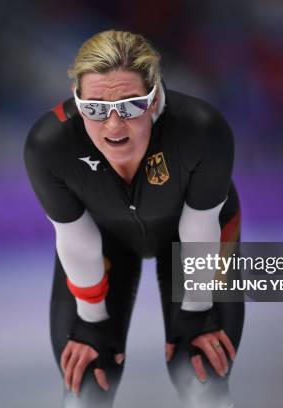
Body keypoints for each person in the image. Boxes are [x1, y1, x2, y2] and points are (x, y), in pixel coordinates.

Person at [24, 30, 244, 408]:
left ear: (155, 98)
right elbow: (76, 238)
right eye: (94, 108)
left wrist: (197, 308)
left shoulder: (201, 129)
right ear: (77, 101)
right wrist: (91, 321)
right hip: (101, 240)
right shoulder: (49, 144)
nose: (112, 126)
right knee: (88, 382)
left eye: (129, 106)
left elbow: (198, 228)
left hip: (193, 240)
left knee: (199, 373)